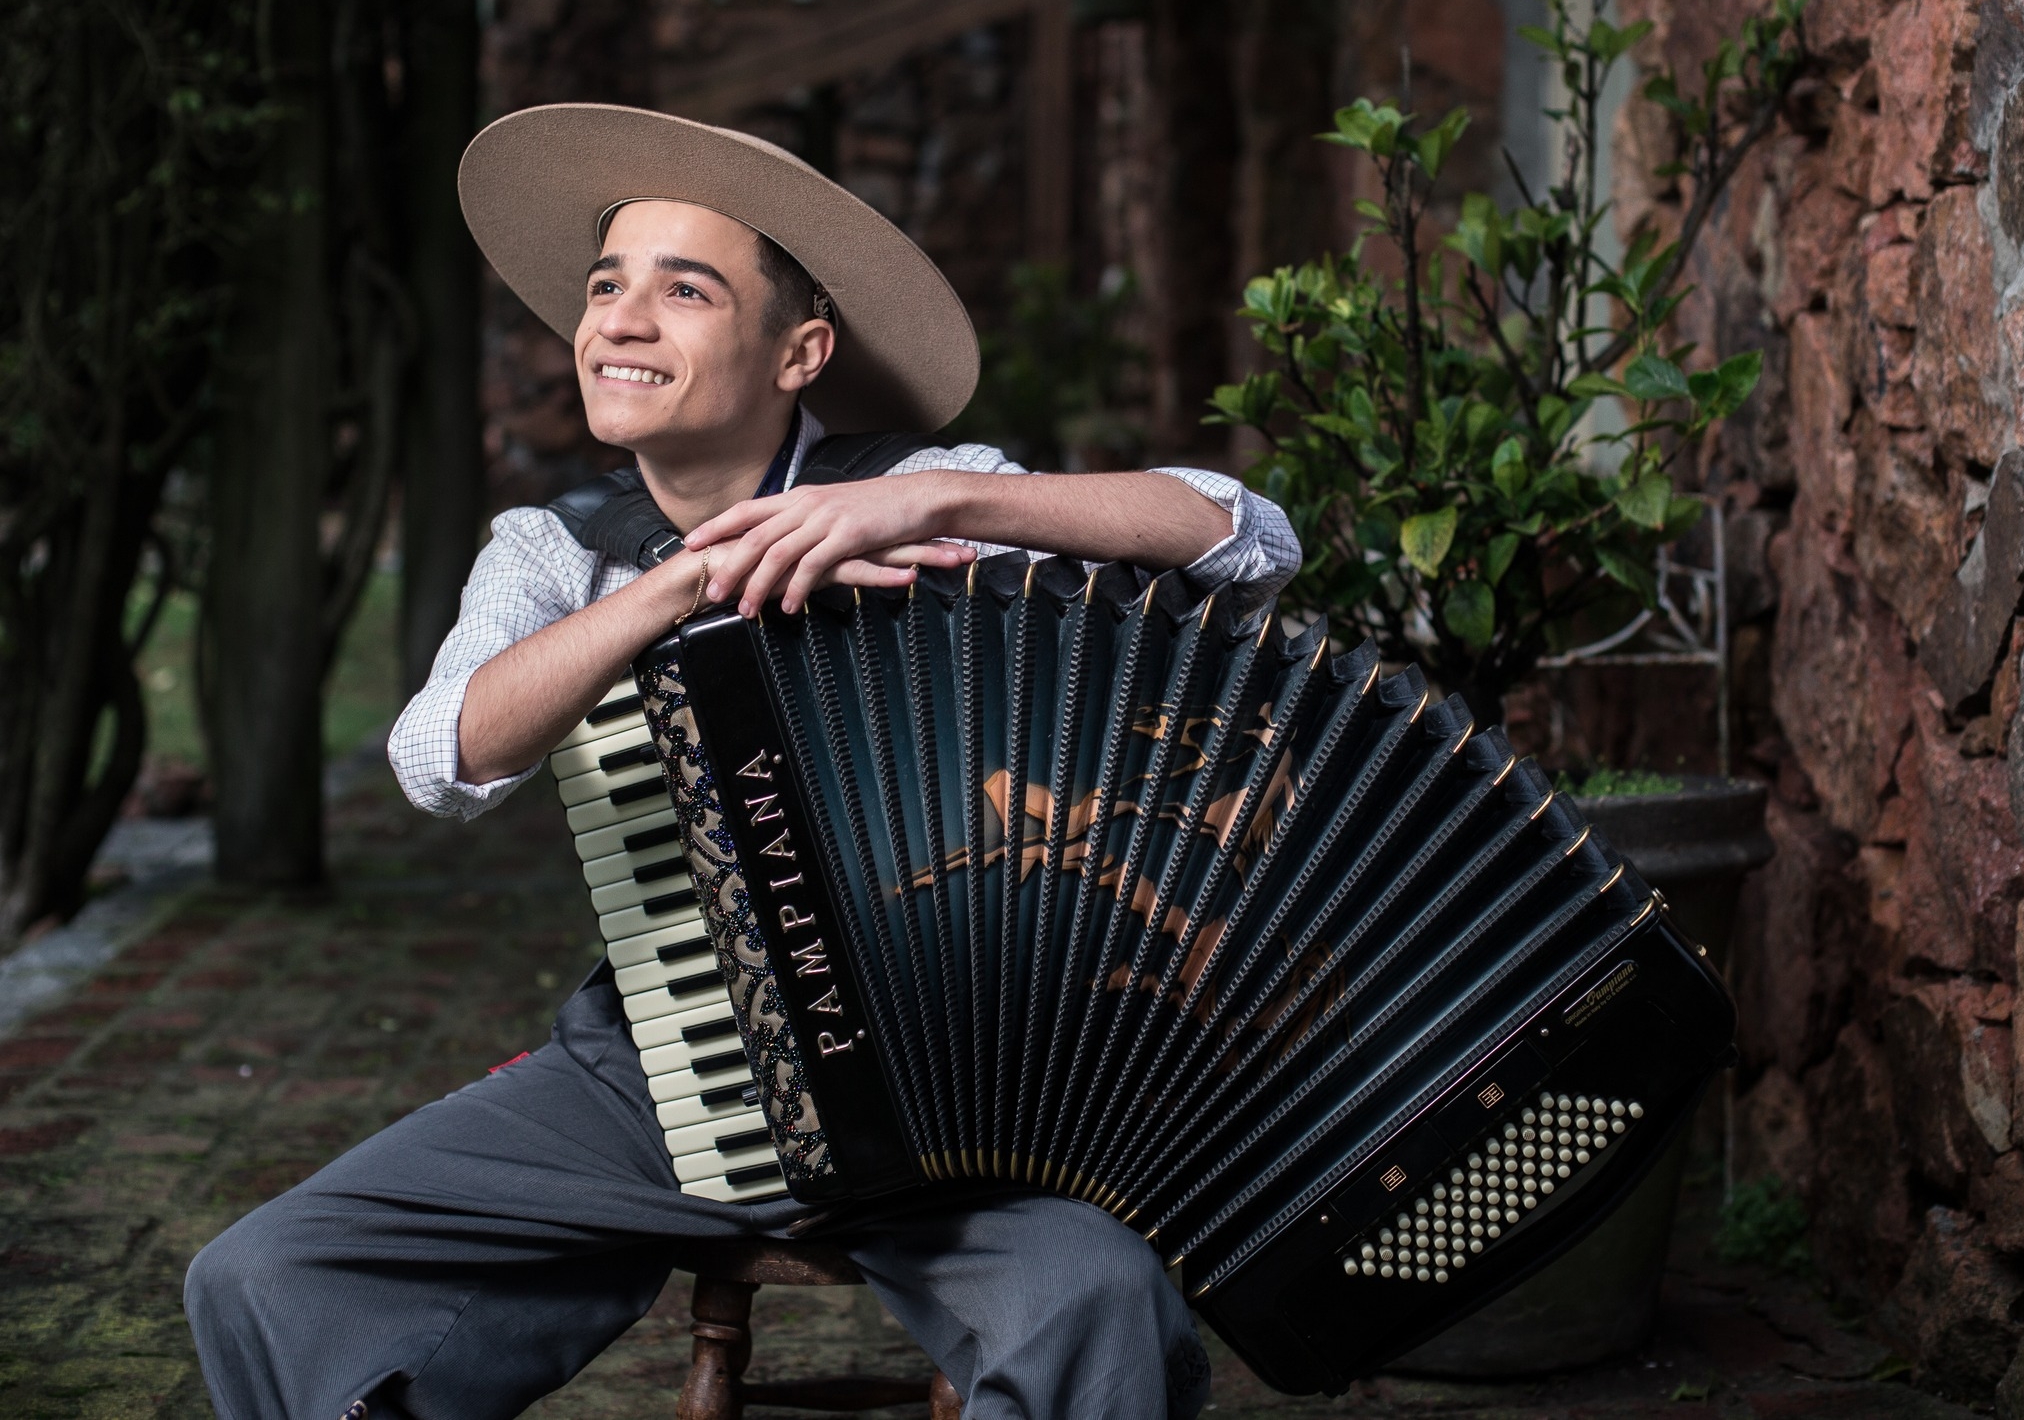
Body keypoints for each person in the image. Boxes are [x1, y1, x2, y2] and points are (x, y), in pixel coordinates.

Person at [183, 104, 1302, 1420]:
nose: (621, 319)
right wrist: (678, 589)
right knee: (261, 1272)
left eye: (684, 287)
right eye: (606, 287)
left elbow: (1252, 539)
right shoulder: (556, 551)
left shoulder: (928, 489)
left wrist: (948, 503)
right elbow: (441, 754)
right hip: (659, 1072)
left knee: (1097, 1308)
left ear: (800, 350)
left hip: (941, 1082)